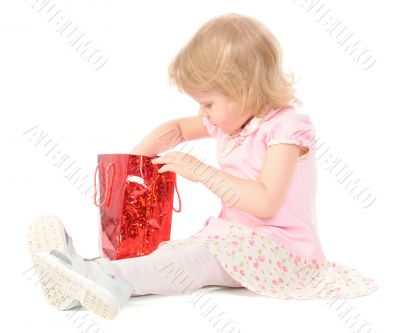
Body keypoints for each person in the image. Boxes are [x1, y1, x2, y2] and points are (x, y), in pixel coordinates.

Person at [27, 13, 378, 320]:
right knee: (175, 253)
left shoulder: (286, 130)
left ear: (243, 89)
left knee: (197, 259)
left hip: (283, 250)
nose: (202, 114)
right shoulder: (230, 120)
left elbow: (265, 201)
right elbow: (175, 129)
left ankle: (97, 277)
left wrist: (202, 172)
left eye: (207, 103)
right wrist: (133, 163)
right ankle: (91, 278)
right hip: (233, 237)